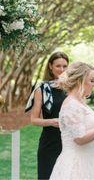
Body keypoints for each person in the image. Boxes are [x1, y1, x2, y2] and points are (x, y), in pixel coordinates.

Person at [49, 62, 94, 180]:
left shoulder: (79, 102)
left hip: (88, 160)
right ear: (80, 80)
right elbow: (79, 139)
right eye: (92, 80)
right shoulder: (71, 105)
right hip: (76, 166)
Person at [29, 51, 69, 179]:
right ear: (50, 66)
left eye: (65, 66)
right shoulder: (42, 88)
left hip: (70, 142)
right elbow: (34, 120)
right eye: (58, 66)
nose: (61, 69)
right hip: (49, 144)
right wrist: (51, 121)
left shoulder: (72, 87)